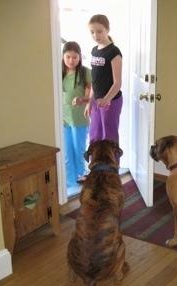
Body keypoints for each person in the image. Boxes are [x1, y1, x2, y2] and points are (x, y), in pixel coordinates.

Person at [84, 14, 123, 161]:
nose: (95, 35)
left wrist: (106, 99)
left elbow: (117, 82)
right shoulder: (94, 51)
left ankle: (112, 171)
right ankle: (96, 169)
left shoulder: (114, 52)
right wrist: (89, 102)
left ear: (108, 30)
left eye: (99, 31)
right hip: (96, 101)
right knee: (95, 135)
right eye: (92, 32)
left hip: (111, 101)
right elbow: (95, 80)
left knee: (109, 138)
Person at [61, 41, 92, 189]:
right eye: (68, 57)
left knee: (78, 149)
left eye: (74, 57)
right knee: (66, 151)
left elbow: (90, 96)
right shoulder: (59, 72)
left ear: (80, 57)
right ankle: (69, 183)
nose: (71, 60)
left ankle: (81, 178)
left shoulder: (85, 72)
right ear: (63, 56)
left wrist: (81, 99)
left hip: (79, 118)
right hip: (63, 118)